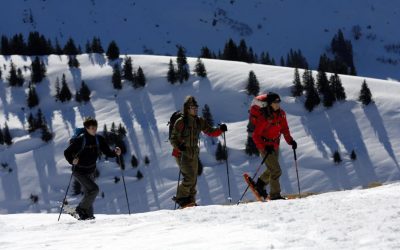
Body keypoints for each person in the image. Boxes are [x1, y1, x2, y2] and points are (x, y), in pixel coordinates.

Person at [170, 96, 227, 207]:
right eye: (193, 107)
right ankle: (182, 198)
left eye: (196, 107)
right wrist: (179, 146)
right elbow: (173, 139)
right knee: (189, 177)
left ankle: (190, 201)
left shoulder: (199, 121)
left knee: (194, 178)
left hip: (193, 153)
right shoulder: (180, 122)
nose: (195, 109)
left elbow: (210, 131)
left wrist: (220, 130)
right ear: (187, 108)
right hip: (181, 153)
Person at [64, 117, 121, 220]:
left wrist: (115, 153)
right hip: (79, 171)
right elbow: (67, 152)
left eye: (95, 127)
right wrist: (72, 160)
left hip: (91, 171)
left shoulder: (98, 139)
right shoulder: (80, 140)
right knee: (94, 190)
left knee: (89, 194)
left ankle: (88, 216)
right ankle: (79, 210)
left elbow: (107, 152)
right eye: (91, 128)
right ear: (86, 128)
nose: (94, 129)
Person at [251, 92, 297, 200]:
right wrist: (263, 147)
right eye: (274, 102)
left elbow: (285, 129)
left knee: (272, 168)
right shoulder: (264, 116)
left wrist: (291, 141)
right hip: (265, 146)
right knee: (276, 170)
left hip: (275, 145)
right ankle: (275, 195)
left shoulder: (281, 114)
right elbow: (256, 135)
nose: (277, 104)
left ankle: (260, 184)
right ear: (269, 103)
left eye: (278, 102)